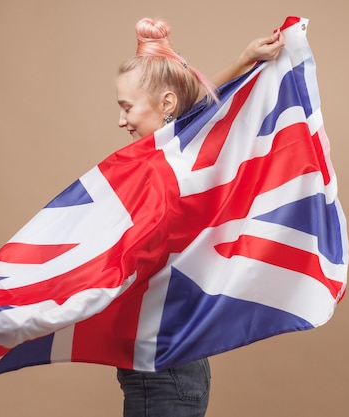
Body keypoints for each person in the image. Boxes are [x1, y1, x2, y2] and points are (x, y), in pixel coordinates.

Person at [114, 17, 285, 417]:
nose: (120, 120)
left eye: (126, 108)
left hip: (163, 369)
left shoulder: (161, 171)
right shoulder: (176, 162)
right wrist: (243, 61)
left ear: (167, 105)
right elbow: (198, 113)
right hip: (178, 364)